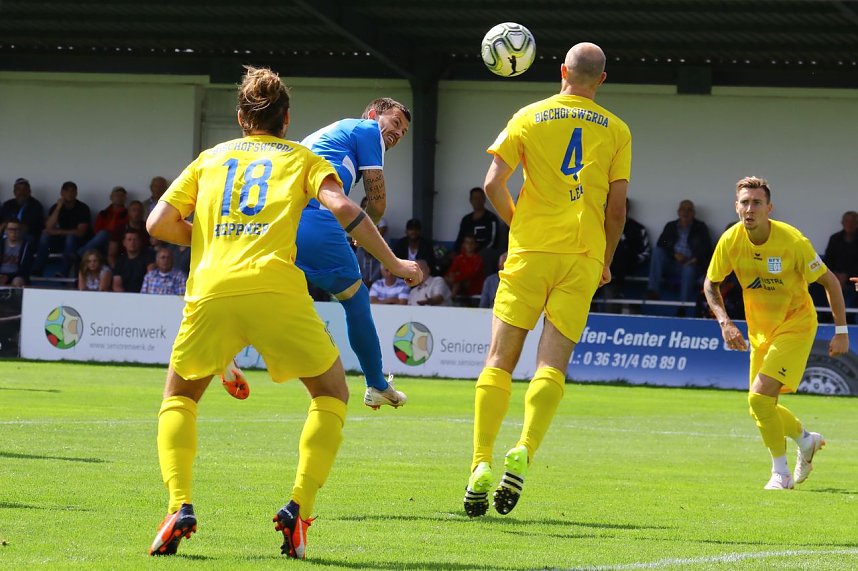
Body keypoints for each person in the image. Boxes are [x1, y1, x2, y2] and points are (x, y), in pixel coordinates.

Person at [145, 66, 420, 559]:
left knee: (180, 398)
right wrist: (395, 263)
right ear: (287, 120)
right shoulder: (304, 158)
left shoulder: (210, 158)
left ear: (240, 117)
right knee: (331, 392)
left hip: (211, 290)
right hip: (276, 287)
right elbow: (345, 208)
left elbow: (158, 223)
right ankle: (299, 509)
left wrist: (210, 238)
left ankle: (178, 506)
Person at [463, 42, 631, 518]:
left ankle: (480, 462)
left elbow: (492, 183)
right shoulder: (618, 129)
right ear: (601, 80)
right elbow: (616, 209)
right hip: (581, 255)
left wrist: (519, 225)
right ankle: (525, 448)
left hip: (530, 252)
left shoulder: (528, 116)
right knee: (551, 365)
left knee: (499, 360)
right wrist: (605, 259)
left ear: (562, 71)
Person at [225, 97, 412, 409]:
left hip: (281, 220)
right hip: (315, 219)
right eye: (394, 123)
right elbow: (377, 203)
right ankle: (377, 384)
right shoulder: (368, 131)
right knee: (356, 298)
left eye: (403, 132)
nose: (397, 133)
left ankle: (226, 346)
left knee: (276, 293)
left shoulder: (327, 134)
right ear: (372, 114)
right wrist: (365, 231)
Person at [703, 176, 849, 490]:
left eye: (757, 203)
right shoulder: (730, 240)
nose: (750, 209)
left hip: (796, 325)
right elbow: (710, 284)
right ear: (736, 206)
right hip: (760, 331)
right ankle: (805, 440)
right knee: (759, 406)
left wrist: (841, 331)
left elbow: (830, 282)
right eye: (744, 202)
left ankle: (780, 474)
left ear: (769, 208)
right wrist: (725, 322)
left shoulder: (793, 241)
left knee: (759, 399)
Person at [647, 199, 712, 315]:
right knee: (657, 252)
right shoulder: (671, 226)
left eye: (689, 210)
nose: (685, 212)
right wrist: (674, 254)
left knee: (688, 269)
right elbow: (661, 244)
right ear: (678, 212)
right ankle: (653, 290)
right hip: (673, 262)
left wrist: (694, 259)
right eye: (683, 209)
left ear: (693, 213)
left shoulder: (700, 227)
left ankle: (683, 306)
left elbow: (707, 249)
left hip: (691, 264)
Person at [599, 198, 650, 312]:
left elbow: (645, 253)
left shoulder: (638, 229)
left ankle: (616, 290)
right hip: (603, 265)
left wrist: (630, 259)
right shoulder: (602, 226)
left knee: (619, 250)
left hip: (629, 266)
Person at [31, 181, 91, 277]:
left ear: (76, 193)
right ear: (62, 193)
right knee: (45, 235)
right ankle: (37, 269)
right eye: (67, 191)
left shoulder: (83, 208)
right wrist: (58, 207)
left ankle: (63, 272)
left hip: (76, 244)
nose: (70, 193)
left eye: (72, 191)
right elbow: (48, 227)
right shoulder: (55, 207)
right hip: (58, 242)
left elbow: (81, 232)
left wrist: (58, 231)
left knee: (70, 237)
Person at [76, 186, 129, 257]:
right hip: (102, 243)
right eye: (117, 195)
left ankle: (78, 255)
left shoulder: (128, 214)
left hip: (118, 243)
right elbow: (96, 231)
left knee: (104, 233)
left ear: (125, 198)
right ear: (111, 197)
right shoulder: (103, 214)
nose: (119, 198)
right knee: (103, 234)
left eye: (122, 195)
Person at [823, 210, 858, 309]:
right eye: (847, 221)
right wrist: (835, 275)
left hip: (854, 279)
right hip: (834, 277)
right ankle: (823, 315)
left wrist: (847, 277)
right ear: (842, 223)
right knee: (815, 286)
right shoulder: (835, 239)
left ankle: (849, 316)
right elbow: (828, 260)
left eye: (853, 222)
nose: (850, 224)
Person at [0, 177, 44, 242]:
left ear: (29, 192)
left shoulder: (36, 206)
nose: (22, 192)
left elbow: (35, 226)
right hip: (6, 234)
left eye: (25, 189)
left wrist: (13, 227)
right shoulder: (8, 204)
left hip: (27, 235)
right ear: (14, 192)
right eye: (19, 189)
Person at [446, 234, 485, 302]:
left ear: (476, 245)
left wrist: (456, 277)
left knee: (457, 282)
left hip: (473, 286)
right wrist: (454, 277)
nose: (469, 245)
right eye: (467, 242)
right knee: (444, 279)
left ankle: (451, 301)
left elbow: (470, 274)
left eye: (471, 243)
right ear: (463, 244)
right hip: (460, 284)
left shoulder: (478, 259)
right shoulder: (458, 258)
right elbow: (451, 272)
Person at [0, 220, 33, 287]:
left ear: (20, 231)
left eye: (16, 229)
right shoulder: (1, 244)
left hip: (18, 275)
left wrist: (8, 276)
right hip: (1, 274)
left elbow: (25, 268)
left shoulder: (26, 246)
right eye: (10, 229)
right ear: (6, 230)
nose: (13, 232)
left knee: (17, 282)